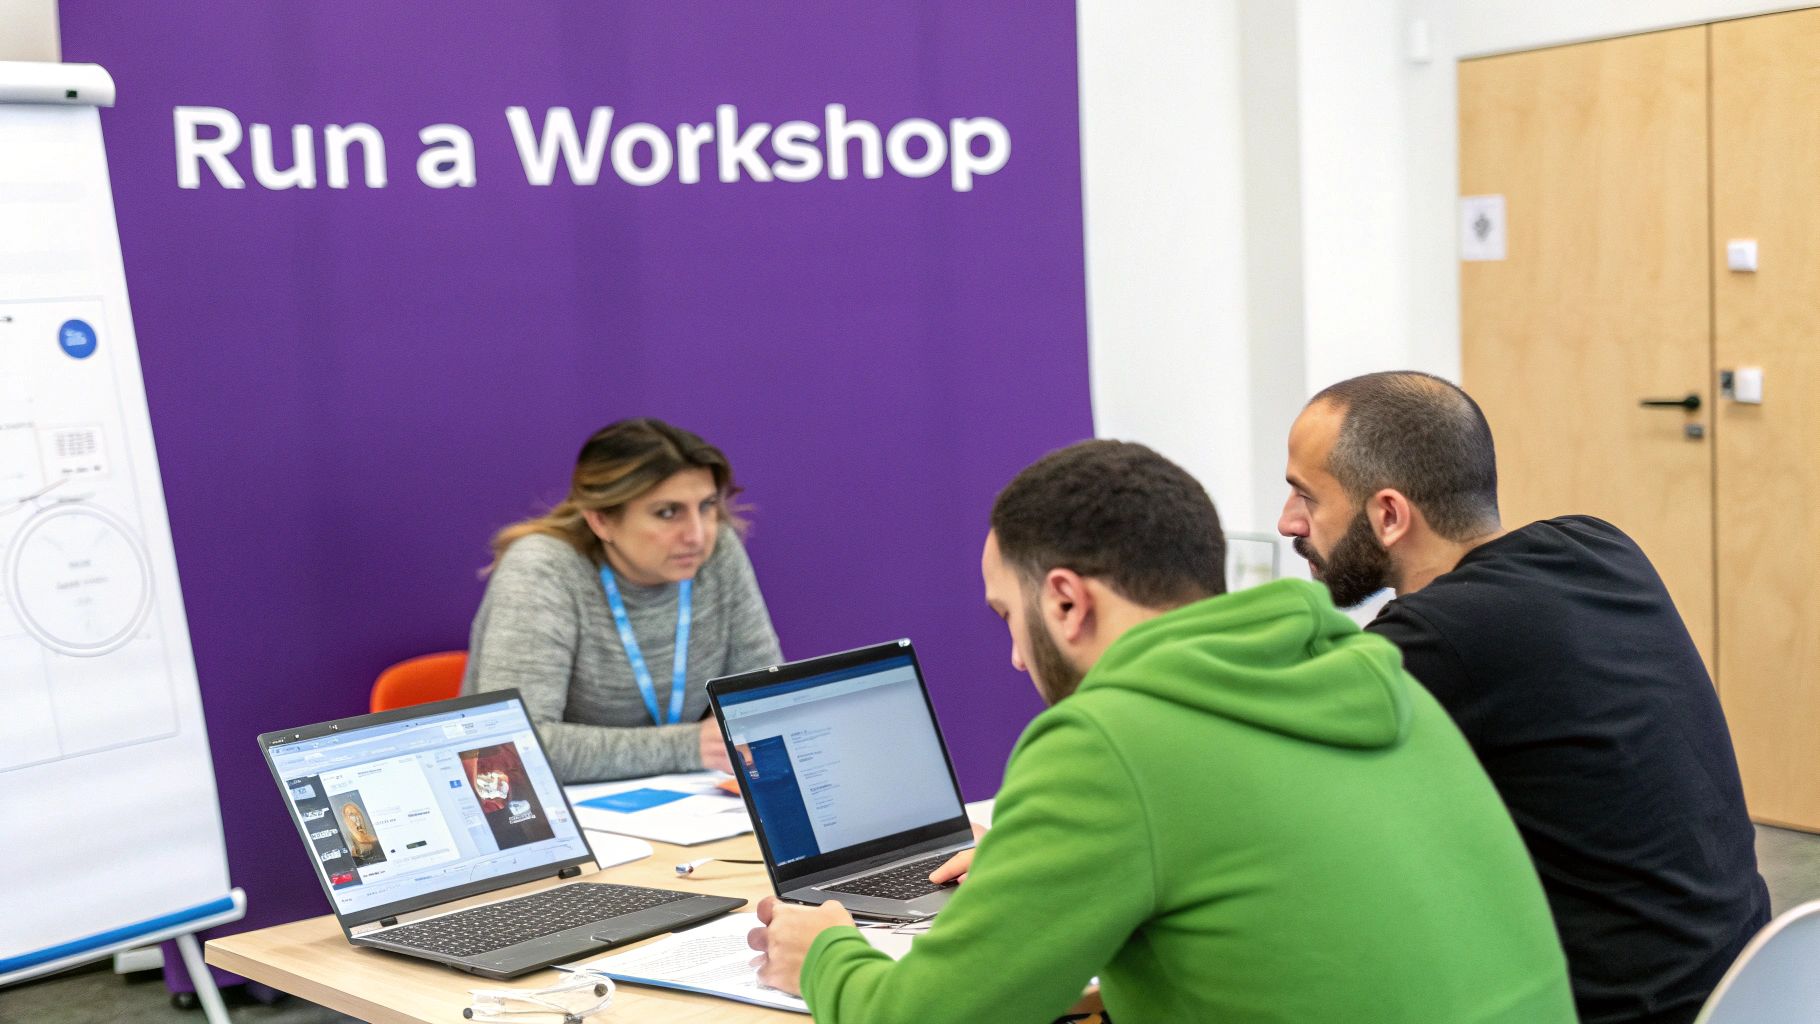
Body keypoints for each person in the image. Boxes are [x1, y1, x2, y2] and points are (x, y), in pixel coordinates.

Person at [749, 439, 1574, 1023]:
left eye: (1010, 616)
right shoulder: (1367, 678)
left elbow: (926, 1018)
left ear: (1067, 601)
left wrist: (821, 952)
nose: (1011, 656)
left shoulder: (1110, 741)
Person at [1278, 371, 1771, 1024]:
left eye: (1305, 498)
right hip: (1752, 988)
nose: (1288, 523)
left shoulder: (1435, 639)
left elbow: (1266, 767)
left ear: (1390, 515)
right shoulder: (1598, 547)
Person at [462, 418, 783, 782]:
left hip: (684, 806)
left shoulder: (717, 551)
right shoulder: (543, 569)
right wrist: (688, 746)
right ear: (601, 520)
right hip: (558, 817)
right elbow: (510, 747)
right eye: (667, 512)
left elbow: (764, 702)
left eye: (707, 505)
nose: (697, 534)